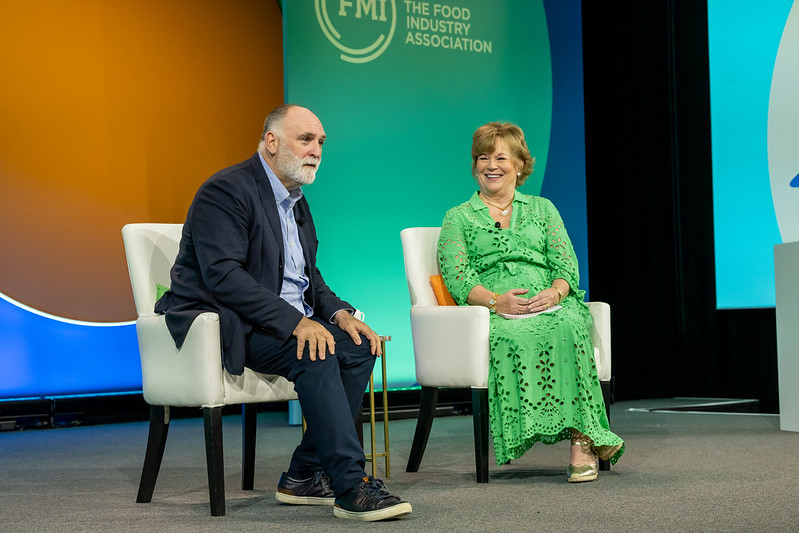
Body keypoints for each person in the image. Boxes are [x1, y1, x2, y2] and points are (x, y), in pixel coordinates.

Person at [155, 104, 412, 520]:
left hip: (279, 321)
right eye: (305, 139)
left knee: (358, 346)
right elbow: (224, 277)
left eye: (321, 142)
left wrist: (341, 314)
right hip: (230, 321)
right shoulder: (225, 191)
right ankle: (350, 485)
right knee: (318, 352)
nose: (316, 150)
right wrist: (297, 323)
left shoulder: (297, 201)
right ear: (271, 142)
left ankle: (304, 474)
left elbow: (309, 277)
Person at [437, 121, 624, 482]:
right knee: (513, 337)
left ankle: (581, 443)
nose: (491, 165)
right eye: (483, 157)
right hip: (494, 309)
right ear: (475, 165)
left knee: (570, 323)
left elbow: (566, 265)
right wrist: (496, 302)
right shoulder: (457, 218)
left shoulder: (543, 209)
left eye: (501, 157)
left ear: (519, 165)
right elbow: (458, 278)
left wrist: (555, 292)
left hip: (550, 301)